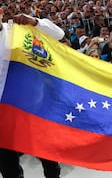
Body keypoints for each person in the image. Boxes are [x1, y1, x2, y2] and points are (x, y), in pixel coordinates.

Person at [0, 10, 64, 178]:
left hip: (32, 107)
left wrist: (35, 22)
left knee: (48, 160)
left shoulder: (18, 30)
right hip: (3, 115)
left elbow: (59, 34)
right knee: (9, 167)